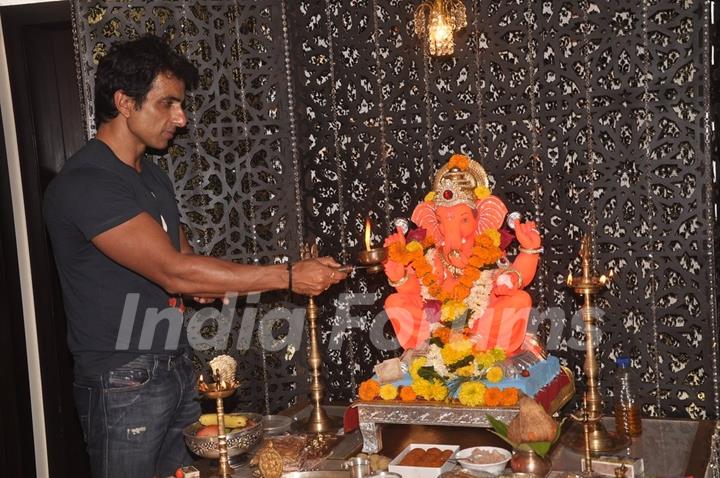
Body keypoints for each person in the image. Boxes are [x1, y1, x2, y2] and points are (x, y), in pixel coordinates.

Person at [43, 35, 346, 478]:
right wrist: (287, 276)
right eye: (168, 104)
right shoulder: (87, 182)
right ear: (125, 102)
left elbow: (184, 260)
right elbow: (174, 271)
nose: (181, 119)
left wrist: (207, 285)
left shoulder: (152, 176)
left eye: (180, 105)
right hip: (123, 378)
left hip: (174, 361)